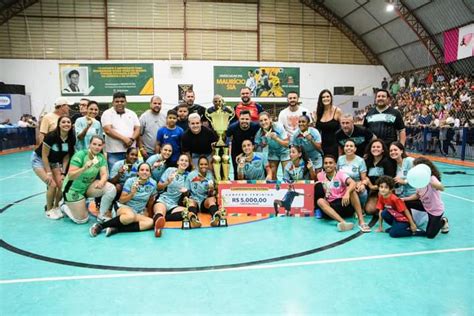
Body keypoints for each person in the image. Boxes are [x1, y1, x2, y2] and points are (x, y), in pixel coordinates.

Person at [89, 163, 157, 237]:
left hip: (137, 212)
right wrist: (132, 193)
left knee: (150, 222)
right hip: (122, 207)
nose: (144, 172)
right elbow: (121, 200)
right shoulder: (130, 181)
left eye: (147, 170)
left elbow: (151, 200)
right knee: (130, 216)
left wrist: (150, 214)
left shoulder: (153, 183)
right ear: (138, 172)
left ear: (150, 173)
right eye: (142, 170)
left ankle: (116, 229)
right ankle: (100, 226)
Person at [60, 136, 116, 224]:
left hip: (86, 188)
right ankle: (64, 206)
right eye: (94, 144)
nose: (97, 147)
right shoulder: (80, 155)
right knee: (82, 220)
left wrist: (102, 181)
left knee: (111, 188)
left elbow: (104, 174)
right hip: (72, 190)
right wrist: (84, 168)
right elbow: (70, 175)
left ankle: (102, 215)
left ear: (102, 146)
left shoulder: (100, 157)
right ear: (89, 144)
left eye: (99, 145)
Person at [31, 116, 76, 219]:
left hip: (54, 162)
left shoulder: (71, 138)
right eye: (63, 122)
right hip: (39, 160)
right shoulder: (51, 136)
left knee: (62, 184)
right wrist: (49, 173)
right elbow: (44, 155)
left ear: (71, 124)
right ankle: (49, 209)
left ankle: (56, 207)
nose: (66, 124)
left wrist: (64, 173)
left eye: (68, 122)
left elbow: (66, 156)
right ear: (59, 124)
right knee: (52, 184)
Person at [314, 155, 370, 232]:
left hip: (344, 203)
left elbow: (353, 183)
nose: (328, 165)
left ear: (335, 165)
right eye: (326, 163)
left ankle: (361, 221)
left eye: (330, 163)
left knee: (352, 191)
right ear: (323, 165)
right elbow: (313, 181)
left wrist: (347, 193)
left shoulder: (340, 174)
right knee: (320, 201)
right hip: (331, 207)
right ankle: (343, 223)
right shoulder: (320, 175)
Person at [152, 154, 200, 237]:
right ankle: (158, 228)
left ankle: (164, 218)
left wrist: (185, 192)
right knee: (160, 213)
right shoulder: (170, 170)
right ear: (178, 162)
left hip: (173, 205)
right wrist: (167, 182)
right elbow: (159, 187)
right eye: (182, 160)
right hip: (163, 200)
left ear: (188, 164)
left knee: (188, 213)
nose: (183, 162)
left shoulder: (187, 176)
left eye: (186, 161)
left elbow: (186, 194)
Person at [401, 157, 449, 238]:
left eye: (415, 167)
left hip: (435, 210)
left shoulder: (431, 178)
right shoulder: (418, 180)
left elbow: (442, 188)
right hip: (425, 206)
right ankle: (411, 223)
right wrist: (404, 199)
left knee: (430, 235)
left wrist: (432, 183)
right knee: (404, 202)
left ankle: (443, 221)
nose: (413, 169)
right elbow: (417, 195)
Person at [101, 92, 140, 170]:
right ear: (113, 102)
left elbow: (137, 128)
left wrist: (131, 140)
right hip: (114, 152)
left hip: (130, 152)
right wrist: (124, 139)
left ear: (126, 102)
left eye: (122, 101)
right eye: (117, 101)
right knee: (115, 174)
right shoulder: (107, 113)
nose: (119, 103)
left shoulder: (132, 113)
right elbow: (108, 130)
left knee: (132, 174)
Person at [187, 156, 223, 227]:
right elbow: (187, 190)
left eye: (206, 164)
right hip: (194, 201)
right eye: (201, 164)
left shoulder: (210, 175)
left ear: (208, 165)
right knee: (190, 201)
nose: (204, 166)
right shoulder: (191, 175)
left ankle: (215, 217)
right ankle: (194, 219)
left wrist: (211, 191)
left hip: (204, 202)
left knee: (212, 199)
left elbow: (210, 194)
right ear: (198, 165)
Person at [363, 139, 396, 214]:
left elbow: (388, 181)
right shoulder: (367, 161)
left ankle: (387, 207)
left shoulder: (387, 162)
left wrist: (372, 186)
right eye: (373, 147)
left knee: (381, 192)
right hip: (373, 191)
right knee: (369, 210)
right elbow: (364, 176)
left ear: (383, 150)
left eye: (378, 147)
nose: (375, 149)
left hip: (385, 189)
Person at [254, 112, 290, 180]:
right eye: (261, 121)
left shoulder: (278, 127)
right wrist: (262, 144)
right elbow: (256, 147)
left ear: (270, 119)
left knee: (286, 175)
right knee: (272, 176)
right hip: (273, 152)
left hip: (284, 151)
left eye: (265, 119)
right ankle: (276, 189)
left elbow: (287, 144)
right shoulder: (260, 133)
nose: (263, 122)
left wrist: (276, 139)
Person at [226, 110, 260, 180]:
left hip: (250, 150)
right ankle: (237, 188)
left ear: (250, 119)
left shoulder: (255, 126)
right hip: (236, 150)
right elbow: (226, 139)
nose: (244, 121)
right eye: (242, 119)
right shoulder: (232, 127)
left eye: (247, 119)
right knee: (237, 171)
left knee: (252, 170)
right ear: (239, 119)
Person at [109, 147, 141, 214]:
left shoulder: (138, 165)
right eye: (132, 154)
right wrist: (119, 174)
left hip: (131, 187)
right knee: (117, 187)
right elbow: (111, 181)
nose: (134, 157)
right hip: (121, 187)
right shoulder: (118, 164)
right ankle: (113, 204)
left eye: (136, 155)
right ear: (126, 155)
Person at [337, 139, 369, 206]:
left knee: (363, 192)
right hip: (342, 185)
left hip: (356, 184)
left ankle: (361, 208)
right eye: (347, 146)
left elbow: (363, 179)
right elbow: (337, 174)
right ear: (344, 148)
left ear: (355, 149)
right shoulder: (340, 159)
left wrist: (362, 184)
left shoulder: (360, 161)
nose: (349, 147)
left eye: (351, 146)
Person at [313, 89, 342, 159]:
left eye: (327, 96)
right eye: (323, 97)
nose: (326, 98)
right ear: (321, 99)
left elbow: (343, 129)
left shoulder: (337, 111)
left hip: (335, 145)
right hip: (321, 145)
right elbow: (315, 130)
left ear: (331, 98)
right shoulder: (318, 112)